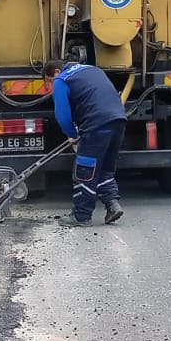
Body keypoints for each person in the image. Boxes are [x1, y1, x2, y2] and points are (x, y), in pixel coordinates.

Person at [44, 59, 127, 227]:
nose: (49, 87)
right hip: (119, 121)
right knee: (104, 169)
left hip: (96, 125)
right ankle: (113, 205)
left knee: (84, 171)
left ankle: (81, 216)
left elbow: (62, 115)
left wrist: (72, 134)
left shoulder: (62, 80)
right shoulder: (92, 69)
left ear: (56, 72)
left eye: (48, 81)